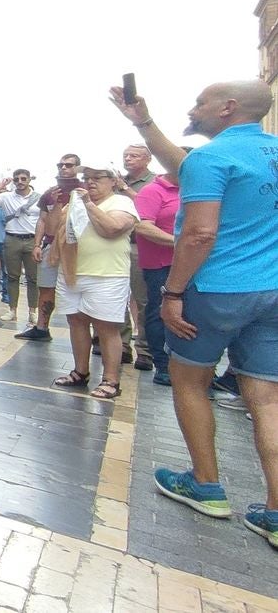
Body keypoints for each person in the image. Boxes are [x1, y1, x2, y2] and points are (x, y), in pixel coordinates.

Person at [123, 79, 278, 548]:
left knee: (191, 382)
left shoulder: (212, 158)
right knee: (267, 398)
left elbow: (199, 235)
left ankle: (206, 485)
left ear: (227, 108)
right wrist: (144, 123)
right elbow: (188, 167)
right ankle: (274, 512)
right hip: (270, 290)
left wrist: (172, 294)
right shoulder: (264, 153)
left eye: (201, 102)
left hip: (213, 290)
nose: (194, 108)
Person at [49, 164, 138, 399]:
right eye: (86, 177)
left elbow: (113, 228)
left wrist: (88, 204)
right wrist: (56, 205)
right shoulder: (73, 202)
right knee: (76, 321)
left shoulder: (121, 203)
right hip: (71, 274)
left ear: (113, 180)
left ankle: (111, 380)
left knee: (106, 328)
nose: (90, 182)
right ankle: (80, 371)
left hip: (106, 276)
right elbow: (53, 229)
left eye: (97, 177)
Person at [133, 156, 188, 386]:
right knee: (159, 310)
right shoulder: (153, 191)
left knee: (191, 314)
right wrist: (183, 243)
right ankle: (163, 365)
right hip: (161, 265)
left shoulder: (196, 189)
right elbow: (143, 226)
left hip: (193, 263)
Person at [19, 154, 83, 342]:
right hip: (50, 243)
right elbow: (42, 220)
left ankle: (92, 333)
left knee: (79, 288)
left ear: (77, 168)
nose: (63, 168)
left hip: (76, 246)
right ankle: (41, 327)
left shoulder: (85, 190)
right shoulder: (50, 192)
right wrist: (37, 244)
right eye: (60, 165)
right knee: (46, 287)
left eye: (68, 165)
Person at [0, 170, 41, 327]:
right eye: (17, 179)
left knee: (33, 278)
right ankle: (13, 310)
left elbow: (44, 219)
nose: (20, 181)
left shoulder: (39, 198)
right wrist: (1, 185)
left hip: (31, 239)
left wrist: (39, 242)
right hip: (12, 239)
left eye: (23, 178)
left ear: (29, 179)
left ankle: (32, 312)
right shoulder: (6, 197)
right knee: (12, 276)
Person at [117, 144, 156, 369]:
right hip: (116, 244)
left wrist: (125, 189)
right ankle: (121, 344)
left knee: (143, 300)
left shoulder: (154, 182)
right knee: (118, 296)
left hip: (140, 246)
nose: (128, 159)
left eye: (133, 156)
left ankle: (144, 350)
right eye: (126, 155)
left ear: (147, 159)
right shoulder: (117, 182)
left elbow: (147, 207)